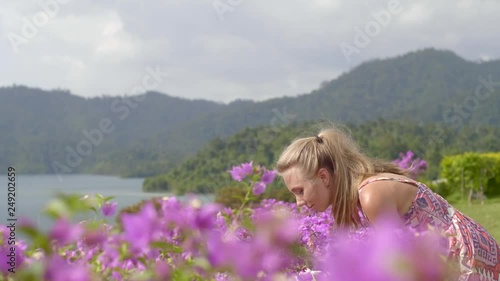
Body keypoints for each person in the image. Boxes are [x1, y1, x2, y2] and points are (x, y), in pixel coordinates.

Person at [275, 125, 500, 280]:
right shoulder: (364, 190)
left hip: (466, 265)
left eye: (300, 191)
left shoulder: (371, 195)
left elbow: (401, 267)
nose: (299, 202)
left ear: (323, 177)